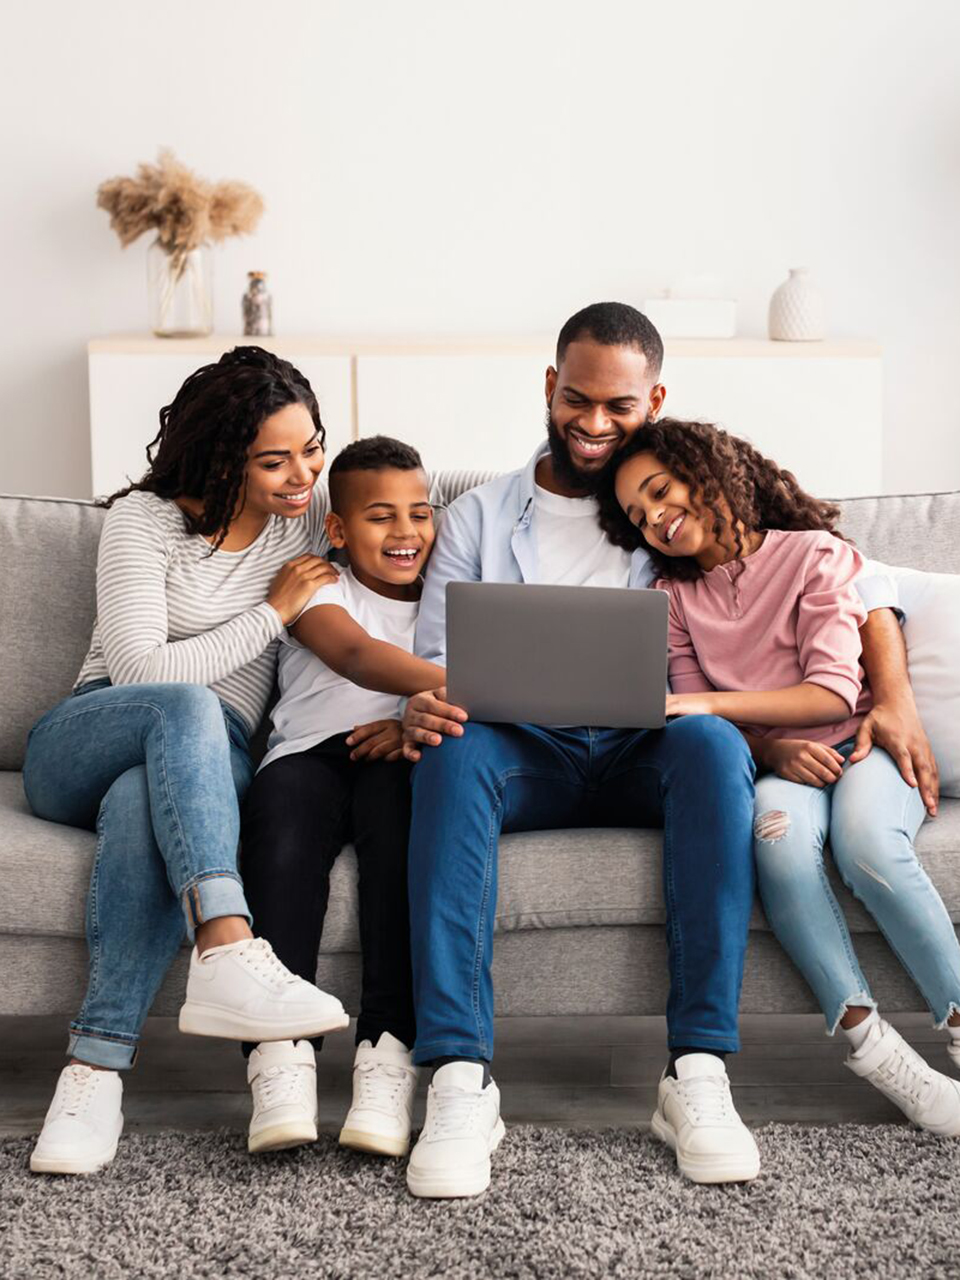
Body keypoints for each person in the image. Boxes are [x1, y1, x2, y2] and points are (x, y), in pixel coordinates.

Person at [399, 302, 936, 1197]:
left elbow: (852, 571)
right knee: (452, 754)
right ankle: (459, 1076)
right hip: (524, 753)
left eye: (620, 406)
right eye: (577, 400)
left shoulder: (681, 488)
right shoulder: (479, 517)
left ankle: (698, 1074)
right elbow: (438, 662)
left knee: (714, 751)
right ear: (549, 387)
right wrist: (426, 702)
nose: (596, 425)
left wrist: (896, 694)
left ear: (655, 400)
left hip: (656, 743)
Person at [24, 347, 350, 1176]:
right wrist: (276, 611)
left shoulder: (310, 516)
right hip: (86, 736)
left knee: (145, 805)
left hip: (207, 768)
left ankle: (92, 1072)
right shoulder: (148, 522)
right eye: (273, 460)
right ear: (221, 455)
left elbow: (414, 507)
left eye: (311, 447)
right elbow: (138, 670)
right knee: (185, 705)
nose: (301, 472)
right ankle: (229, 944)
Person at [602, 417, 960, 1133]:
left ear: (708, 472)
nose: (654, 520)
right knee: (777, 846)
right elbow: (703, 728)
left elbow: (830, 692)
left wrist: (705, 702)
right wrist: (768, 749)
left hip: (861, 742)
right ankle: (874, 1048)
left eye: (660, 492)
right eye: (637, 517)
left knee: (866, 842)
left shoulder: (816, 555)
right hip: (782, 765)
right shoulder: (673, 600)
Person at [239, 437, 444, 1158]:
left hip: (398, 755)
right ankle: (280, 1054)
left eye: (420, 513)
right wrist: (479, 685)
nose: (406, 533)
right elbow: (354, 654)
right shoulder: (316, 583)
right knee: (282, 841)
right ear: (337, 529)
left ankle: (387, 1053)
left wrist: (409, 719)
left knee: (402, 851)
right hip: (309, 757)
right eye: (381, 517)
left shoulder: (452, 600)